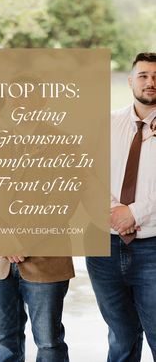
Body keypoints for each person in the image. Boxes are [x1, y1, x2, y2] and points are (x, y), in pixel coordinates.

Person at [86, 52, 156, 361]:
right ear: (130, 81)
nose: (150, 82)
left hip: (152, 249)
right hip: (105, 249)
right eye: (143, 75)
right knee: (120, 336)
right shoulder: (107, 123)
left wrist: (134, 213)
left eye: (155, 76)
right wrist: (112, 213)